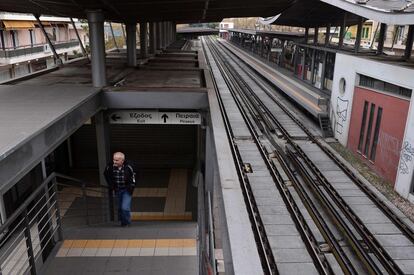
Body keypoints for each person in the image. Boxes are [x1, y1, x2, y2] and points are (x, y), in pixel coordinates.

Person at [104, 152, 136, 226]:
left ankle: (127, 222)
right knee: (119, 208)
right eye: (114, 160)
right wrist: (111, 185)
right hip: (117, 190)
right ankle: (123, 222)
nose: (114, 162)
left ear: (122, 160)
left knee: (125, 208)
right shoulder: (110, 167)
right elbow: (106, 174)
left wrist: (132, 186)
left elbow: (134, 176)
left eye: (117, 160)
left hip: (126, 190)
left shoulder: (129, 167)